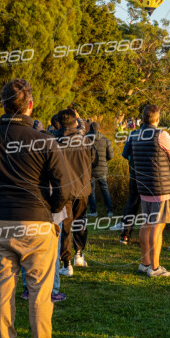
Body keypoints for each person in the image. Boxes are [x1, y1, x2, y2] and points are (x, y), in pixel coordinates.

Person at [0, 78, 74, 338]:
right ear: (30, 104)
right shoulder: (44, 140)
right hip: (36, 223)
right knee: (40, 291)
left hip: (2, 222)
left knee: (3, 290)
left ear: (3, 105)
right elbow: (64, 188)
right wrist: (50, 209)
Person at [131, 105, 170, 277]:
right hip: (161, 188)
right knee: (158, 226)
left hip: (144, 186)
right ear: (157, 119)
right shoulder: (161, 135)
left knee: (146, 224)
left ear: (142, 118)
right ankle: (155, 267)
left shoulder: (134, 135)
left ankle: (145, 263)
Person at [56, 109, 97, 277]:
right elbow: (94, 161)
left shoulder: (55, 142)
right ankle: (78, 254)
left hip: (63, 189)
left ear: (59, 124)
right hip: (81, 187)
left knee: (65, 225)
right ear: (75, 123)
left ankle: (66, 262)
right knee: (80, 221)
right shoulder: (86, 141)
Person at [86, 122, 114, 218]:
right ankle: (109, 211)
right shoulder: (106, 140)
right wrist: (103, 160)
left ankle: (93, 211)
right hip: (102, 169)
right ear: (99, 129)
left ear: (89, 129)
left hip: (89, 170)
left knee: (91, 191)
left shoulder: (85, 140)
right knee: (105, 190)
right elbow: (111, 156)